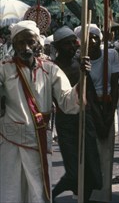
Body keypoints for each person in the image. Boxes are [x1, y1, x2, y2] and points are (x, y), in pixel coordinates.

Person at [0, 20, 88, 202]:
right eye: (20, 42)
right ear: (14, 44)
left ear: (37, 43)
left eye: (30, 42)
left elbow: (67, 101)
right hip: (11, 142)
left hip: (39, 142)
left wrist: (82, 80)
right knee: (11, 191)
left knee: (38, 193)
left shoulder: (50, 69)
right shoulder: (4, 69)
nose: (25, 47)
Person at [51, 26, 103, 201]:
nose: (72, 47)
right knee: (73, 172)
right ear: (57, 47)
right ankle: (48, 196)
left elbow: (91, 94)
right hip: (66, 122)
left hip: (85, 118)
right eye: (67, 44)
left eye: (74, 43)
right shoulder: (52, 68)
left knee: (91, 170)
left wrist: (85, 74)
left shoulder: (80, 63)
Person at [76, 23, 119, 202]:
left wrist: (110, 115)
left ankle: (104, 196)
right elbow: (84, 92)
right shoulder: (80, 60)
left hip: (108, 107)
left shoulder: (112, 55)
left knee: (106, 154)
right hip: (88, 111)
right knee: (90, 155)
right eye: (89, 37)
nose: (93, 40)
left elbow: (116, 85)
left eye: (95, 36)